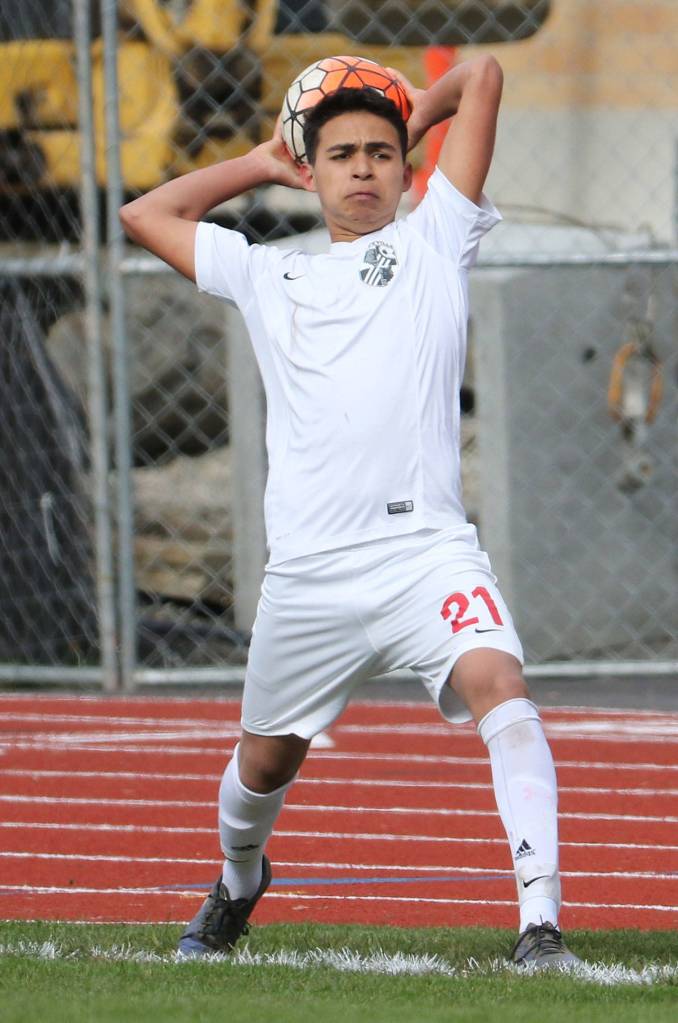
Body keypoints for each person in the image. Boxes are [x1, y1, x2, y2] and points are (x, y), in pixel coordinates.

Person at [120, 54, 581, 969]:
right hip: (309, 575)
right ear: (312, 171)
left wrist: (393, 116)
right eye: (341, 155)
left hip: (425, 554)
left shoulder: (436, 237)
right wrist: (264, 158)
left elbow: (482, 72)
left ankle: (540, 925)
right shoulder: (268, 274)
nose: (363, 167)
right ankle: (240, 879)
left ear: (408, 167)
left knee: (501, 683)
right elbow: (146, 215)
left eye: (380, 153)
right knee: (264, 766)